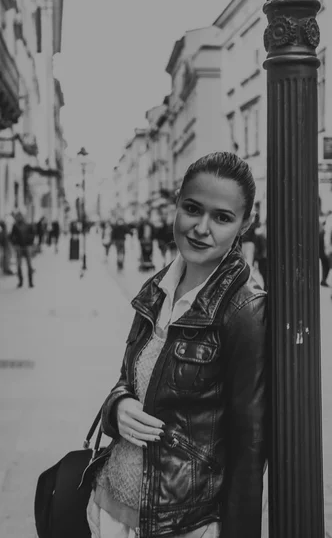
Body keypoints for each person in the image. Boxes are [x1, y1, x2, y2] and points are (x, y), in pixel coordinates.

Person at [85, 152, 268, 538]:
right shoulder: (156, 288)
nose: (201, 228)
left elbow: (249, 449)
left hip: (183, 525)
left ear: (244, 224)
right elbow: (128, 379)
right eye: (192, 209)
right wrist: (117, 407)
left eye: (222, 217)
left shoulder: (243, 310)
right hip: (110, 510)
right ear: (178, 206)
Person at [10, 212, 35, 288]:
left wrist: (30, 243)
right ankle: (20, 281)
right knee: (19, 265)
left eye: (20, 216)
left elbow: (33, 234)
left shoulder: (28, 225)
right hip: (19, 247)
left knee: (29, 264)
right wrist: (15, 243)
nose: (19, 218)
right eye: (18, 217)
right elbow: (12, 236)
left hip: (27, 246)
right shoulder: (15, 226)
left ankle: (30, 282)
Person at [319, 215, 330, 287]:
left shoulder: (321, 232)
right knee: (327, 267)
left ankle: (323, 279)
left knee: (324, 266)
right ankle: (324, 279)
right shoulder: (326, 233)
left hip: (322, 253)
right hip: (326, 253)